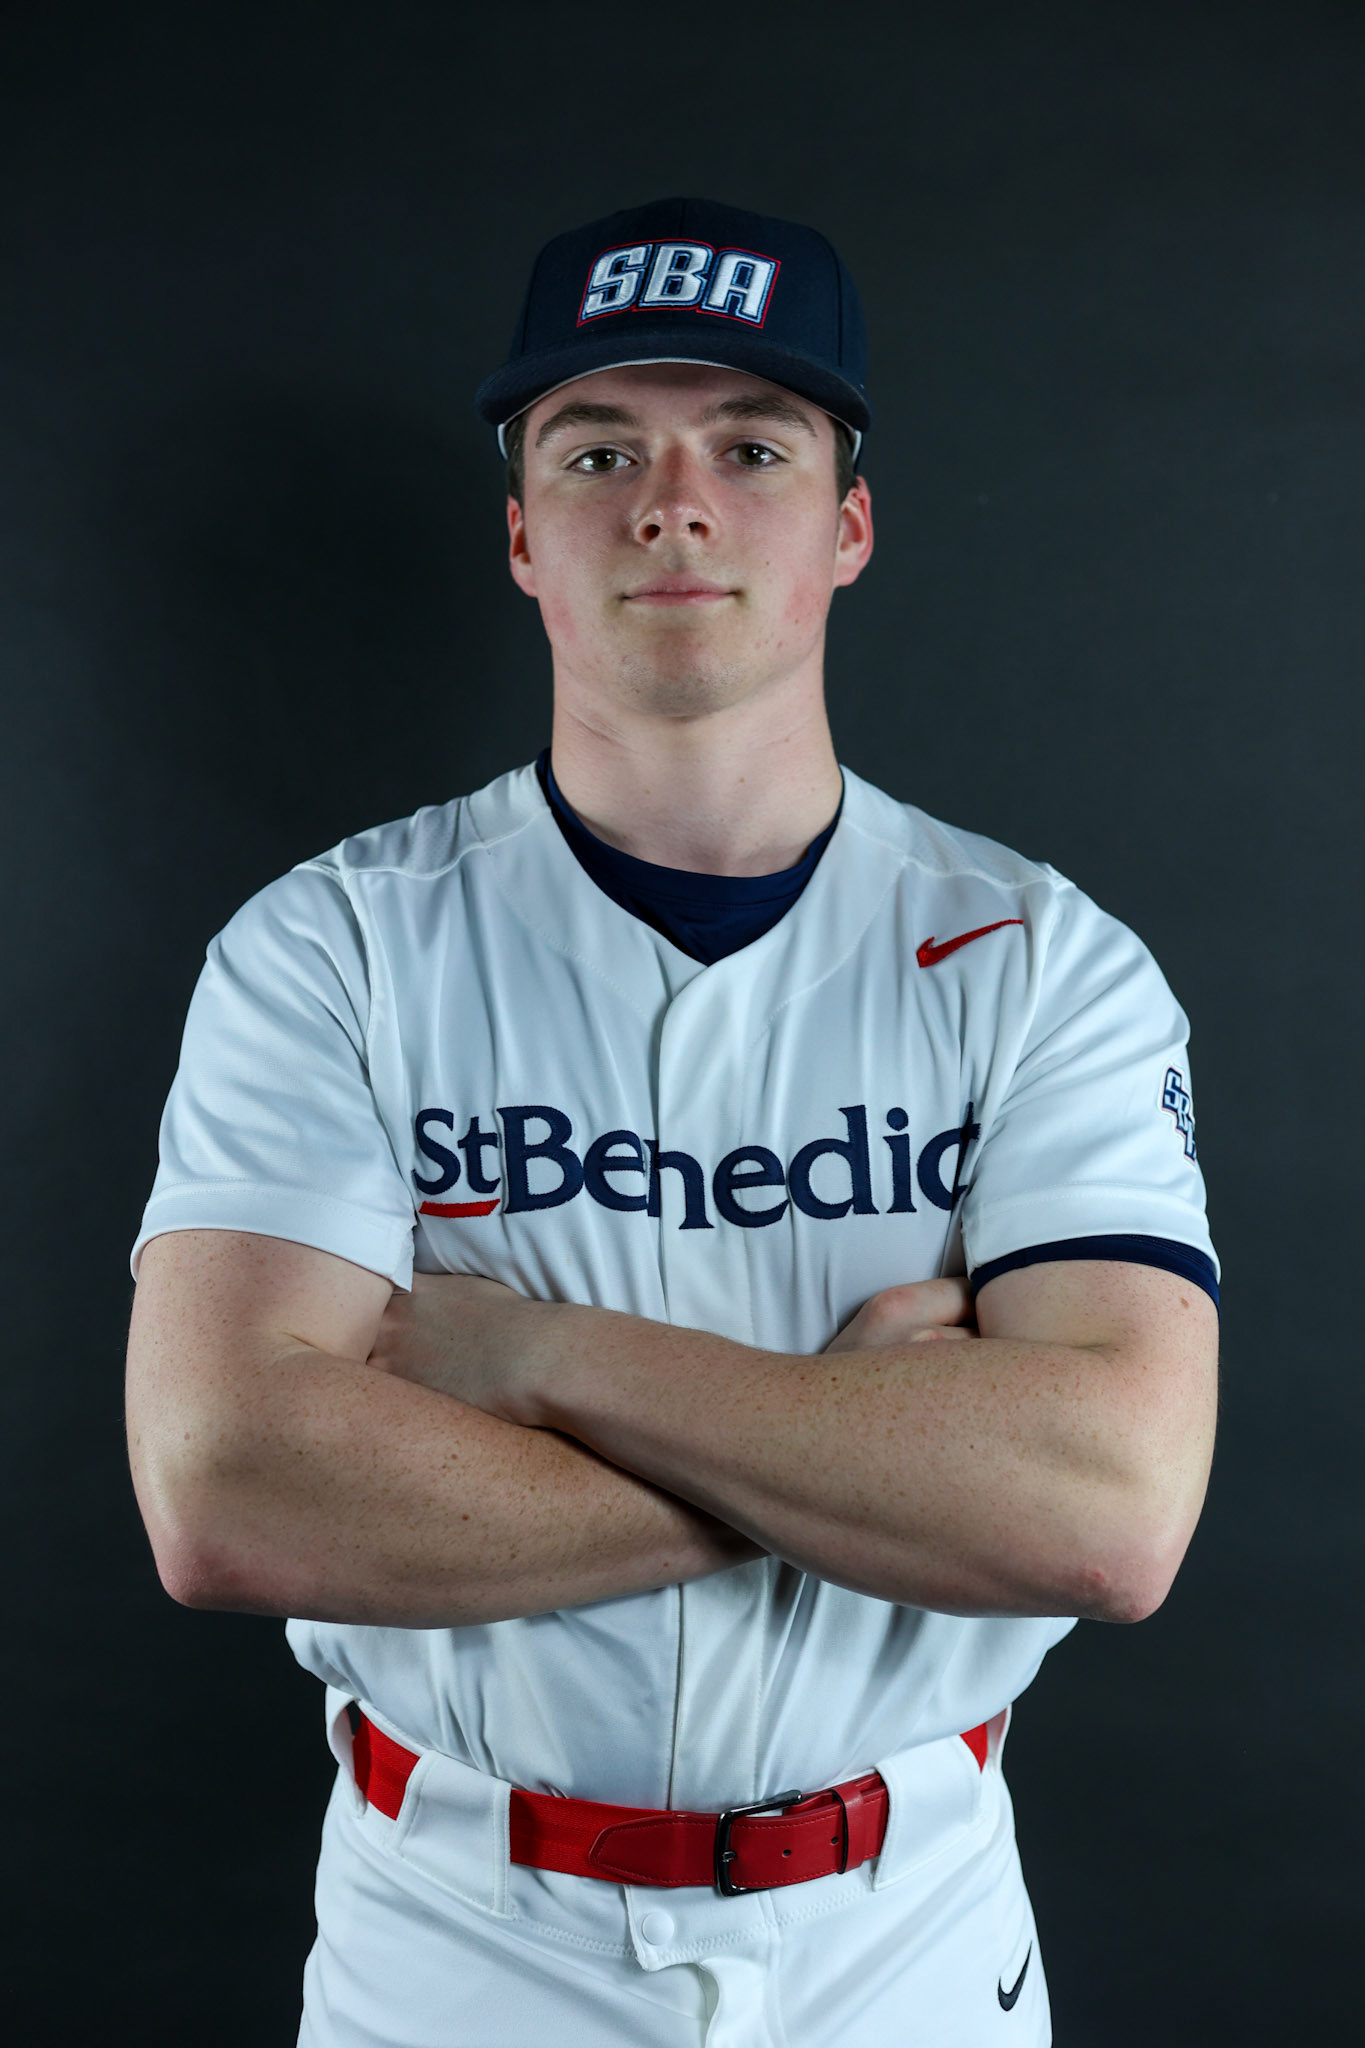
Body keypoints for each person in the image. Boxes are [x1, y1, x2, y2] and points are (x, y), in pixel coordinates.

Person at [125, 197, 1219, 2047]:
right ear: (521, 534)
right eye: (598, 449)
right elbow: (227, 1488)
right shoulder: (333, 946)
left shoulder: (1042, 962)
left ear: (847, 525)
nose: (672, 503)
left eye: (752, 446)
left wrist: (533, 1356)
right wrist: (862, 1453)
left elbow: (1104, 1512)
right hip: (460, 1933)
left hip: (905, 1929)